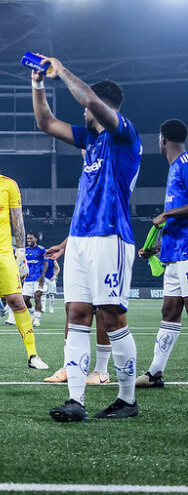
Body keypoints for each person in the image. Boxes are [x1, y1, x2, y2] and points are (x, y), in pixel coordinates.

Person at [32, 55, 141, 421]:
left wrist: (60, 70)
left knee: (110, 316)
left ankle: (127, 399)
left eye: (88, 107)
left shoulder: (123, 134)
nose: (82, 114)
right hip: (80, 239)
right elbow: (45, 122)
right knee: (77, 313)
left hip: (111, 236)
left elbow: (90, 102)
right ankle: (75, 401)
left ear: (103, 105)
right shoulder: (90, 141)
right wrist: (38, 84)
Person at [0, 143, 48, 370]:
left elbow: (18, 220)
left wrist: (20, 253)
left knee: (17, 301)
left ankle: (33, 355)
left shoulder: (8, 185)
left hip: (4, 254)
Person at [136, 119, 188, 389]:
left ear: (162, 139)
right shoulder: (173, 170)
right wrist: (156, 249)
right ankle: (155, 373)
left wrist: (166, 213)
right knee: (169, 310)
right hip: (173, 254)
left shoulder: (185, 164)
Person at [22, 232, 48, 327]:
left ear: (35, 239)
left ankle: (37, 319)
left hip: (38, 279)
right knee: (24, 300)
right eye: (28, 238)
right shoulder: (25, 250)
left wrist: (42, 277)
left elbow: (46, 264)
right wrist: (22, 275)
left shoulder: (41, 250)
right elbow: (22, 263)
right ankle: (32, 312)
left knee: (37, 297)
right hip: (28, 279)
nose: (29, 240)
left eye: (31, 238)